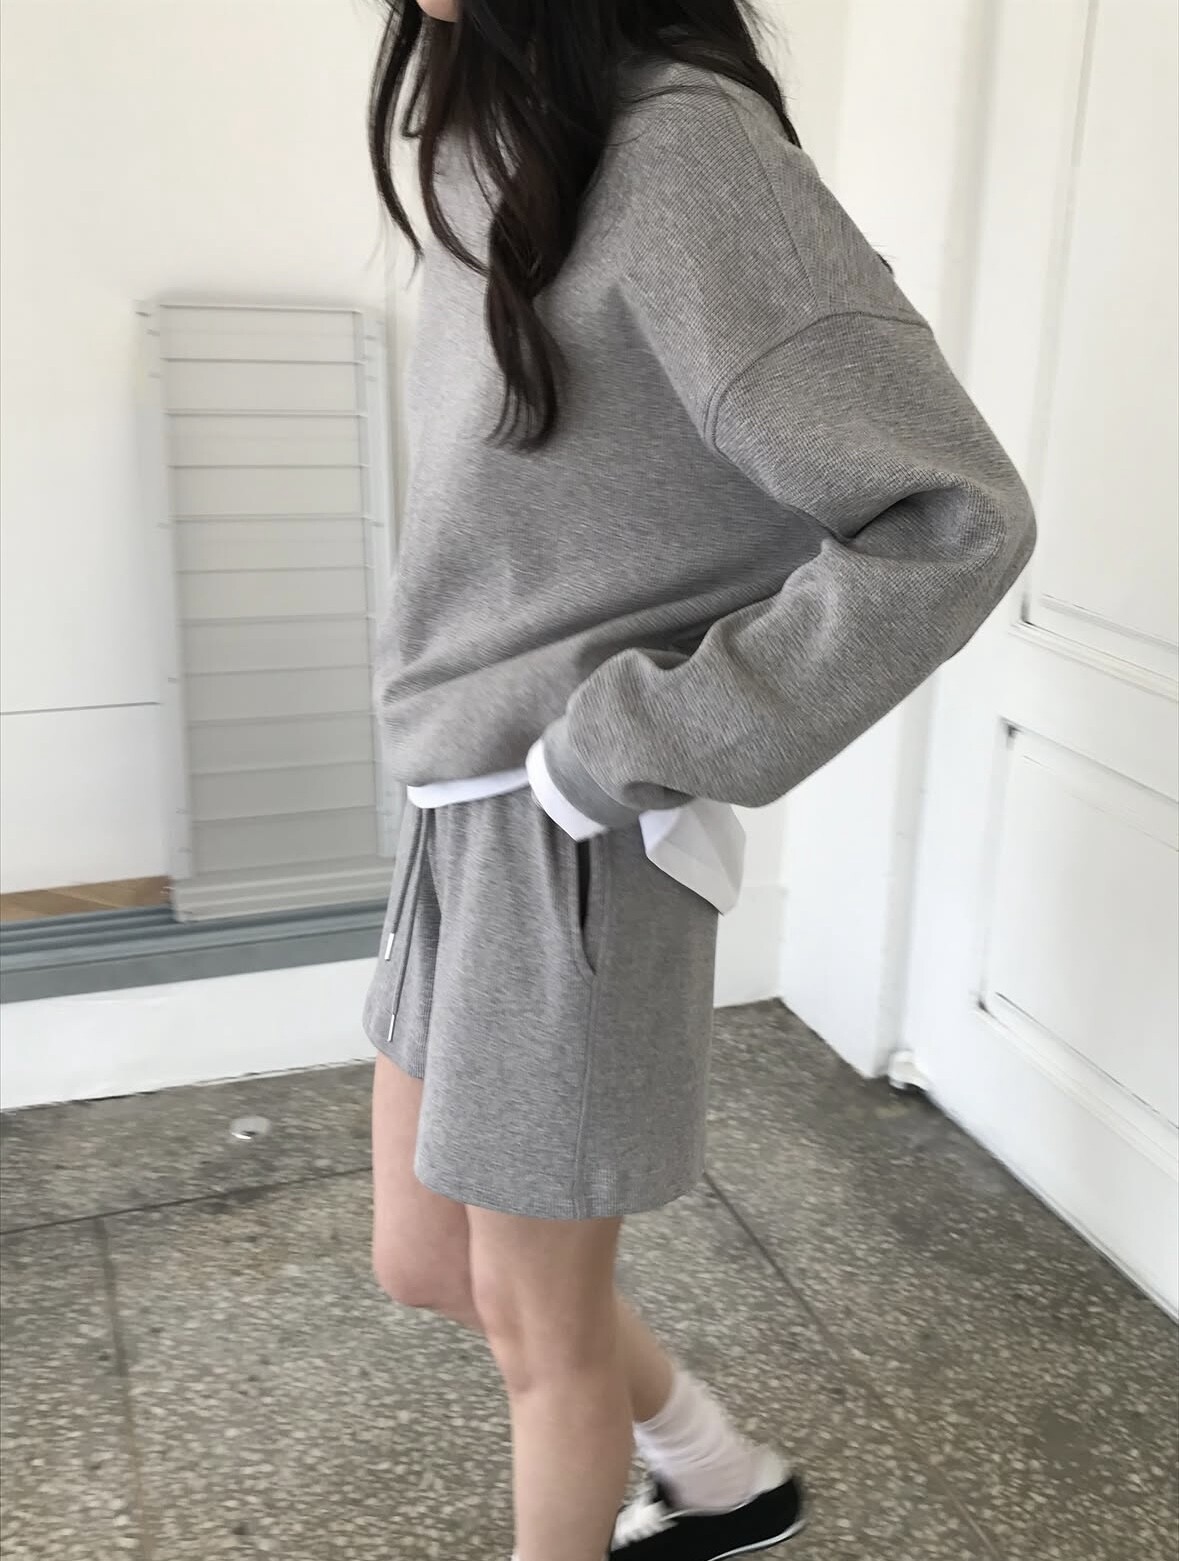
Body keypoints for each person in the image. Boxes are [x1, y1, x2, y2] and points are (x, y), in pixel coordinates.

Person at [363, 3, 1036, 1557]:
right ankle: (723, 1476)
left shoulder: (685, 155)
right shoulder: (479, 136)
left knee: (543, 1335)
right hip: (452, 801)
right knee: (427, 1258)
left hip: (568, 827)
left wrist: (637, 743)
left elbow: (954, 514)